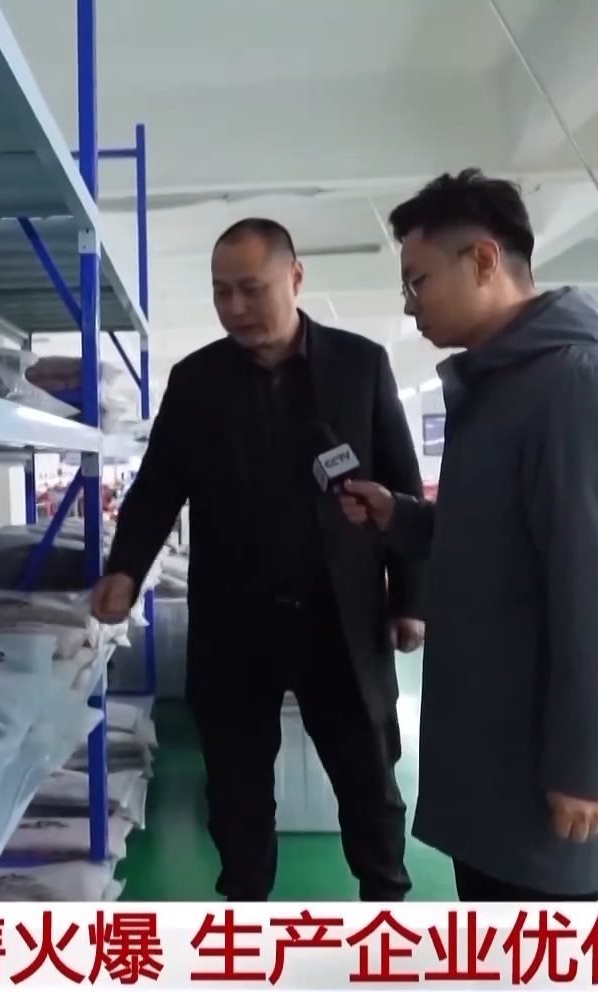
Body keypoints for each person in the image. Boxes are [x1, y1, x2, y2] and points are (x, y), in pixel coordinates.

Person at [338, 170, 598, 902]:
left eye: (417, 281)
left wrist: (588, 766)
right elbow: (502, 535)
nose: (410, 304)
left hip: (541, 759)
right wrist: (402, 517)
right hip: (495, 738)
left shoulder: (577, 384)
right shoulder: (502, 384)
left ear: (483, 260)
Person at [90, 218, 426, 902]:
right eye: (221, 292)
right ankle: (246, 918)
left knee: (369, 782)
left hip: (341, 617)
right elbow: (157, 489)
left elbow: (402, 486)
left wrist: (410, 600)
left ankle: (385, 911)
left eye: (251, 289)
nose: (235, 307)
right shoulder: (196, 381)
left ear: (295, 278)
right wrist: (124, 569)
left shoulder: (360, 366)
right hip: (235, 619)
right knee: (236, 791)